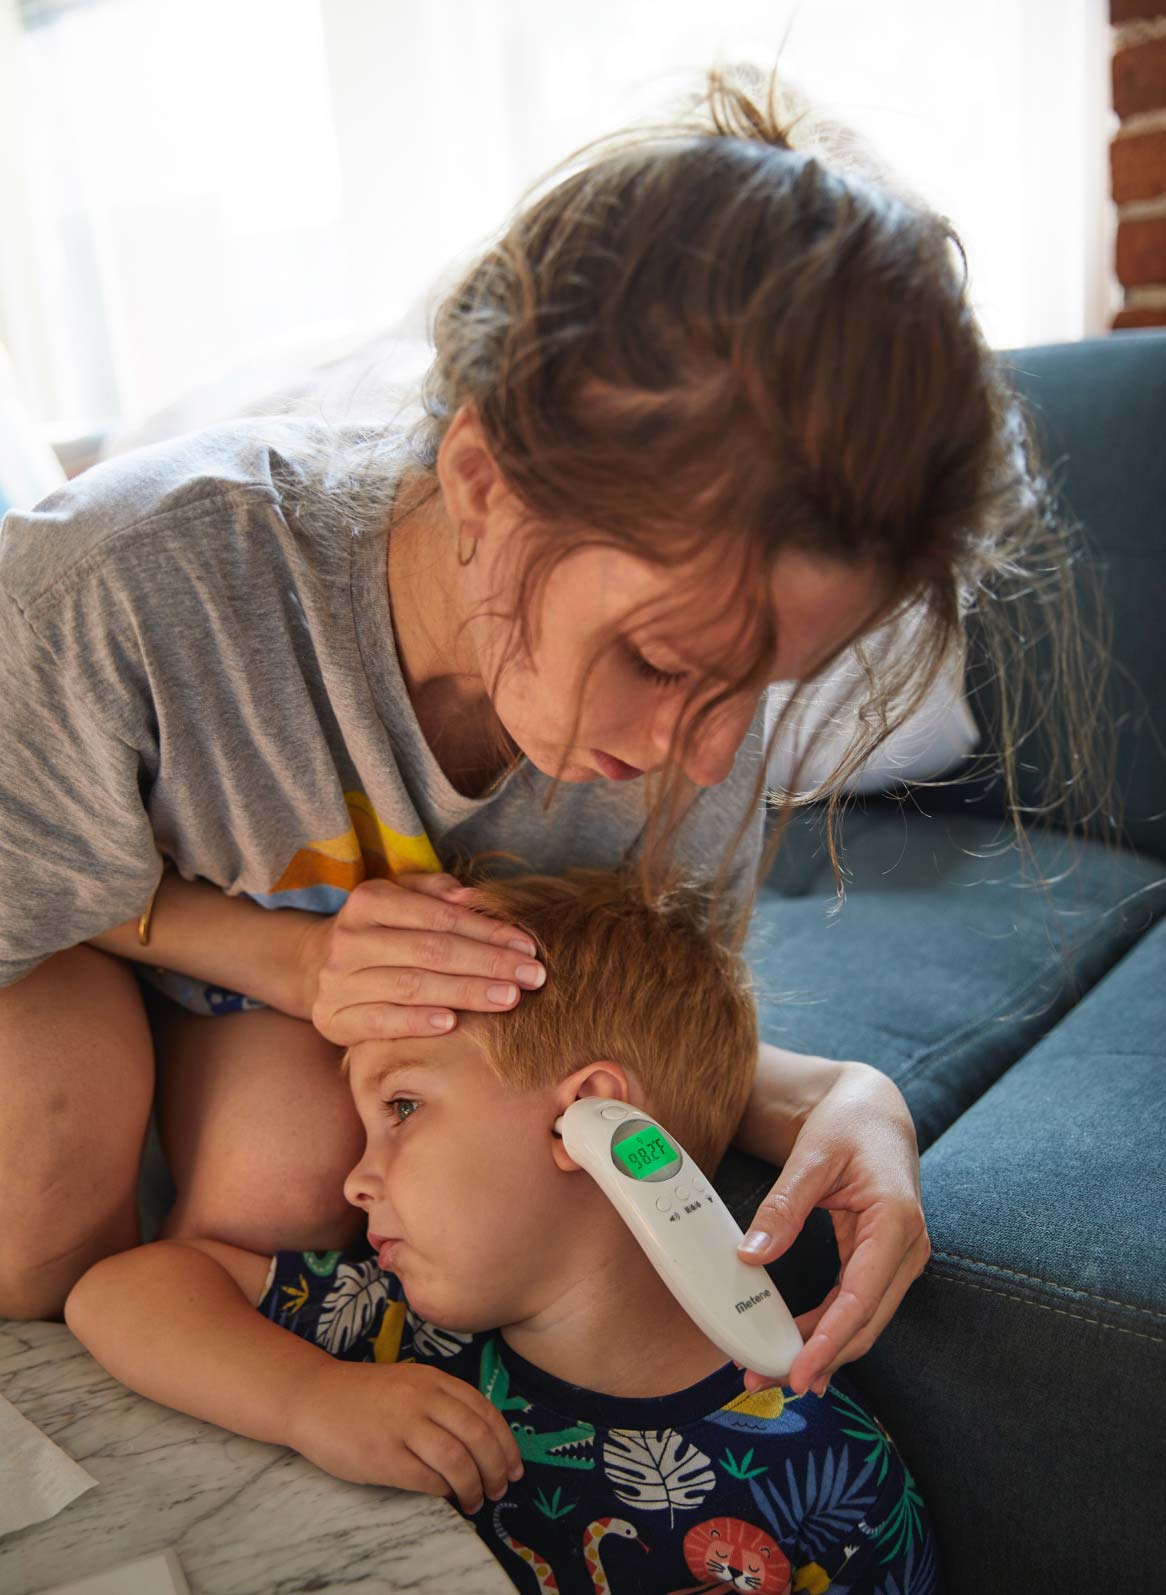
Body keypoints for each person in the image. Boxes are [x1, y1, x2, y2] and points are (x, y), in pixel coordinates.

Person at [0, 60, 1088, 1405]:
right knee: (41, 1134)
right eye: (657, 659)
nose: (704, 755)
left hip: (299, 1030)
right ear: (479, 480)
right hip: (75, 932)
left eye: (764, 687)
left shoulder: (688, 738)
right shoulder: (122, 587)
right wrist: (280, 953)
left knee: (290, 1160)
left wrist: (842, 1096)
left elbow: (586, 1025)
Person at [62, 865, 941, 1594]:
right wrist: (309, 1399)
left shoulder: (830, 1481)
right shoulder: (400, 1334)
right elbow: (117, 1292)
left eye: (401, 1106)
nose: (355, 1179)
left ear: (593, 1122)